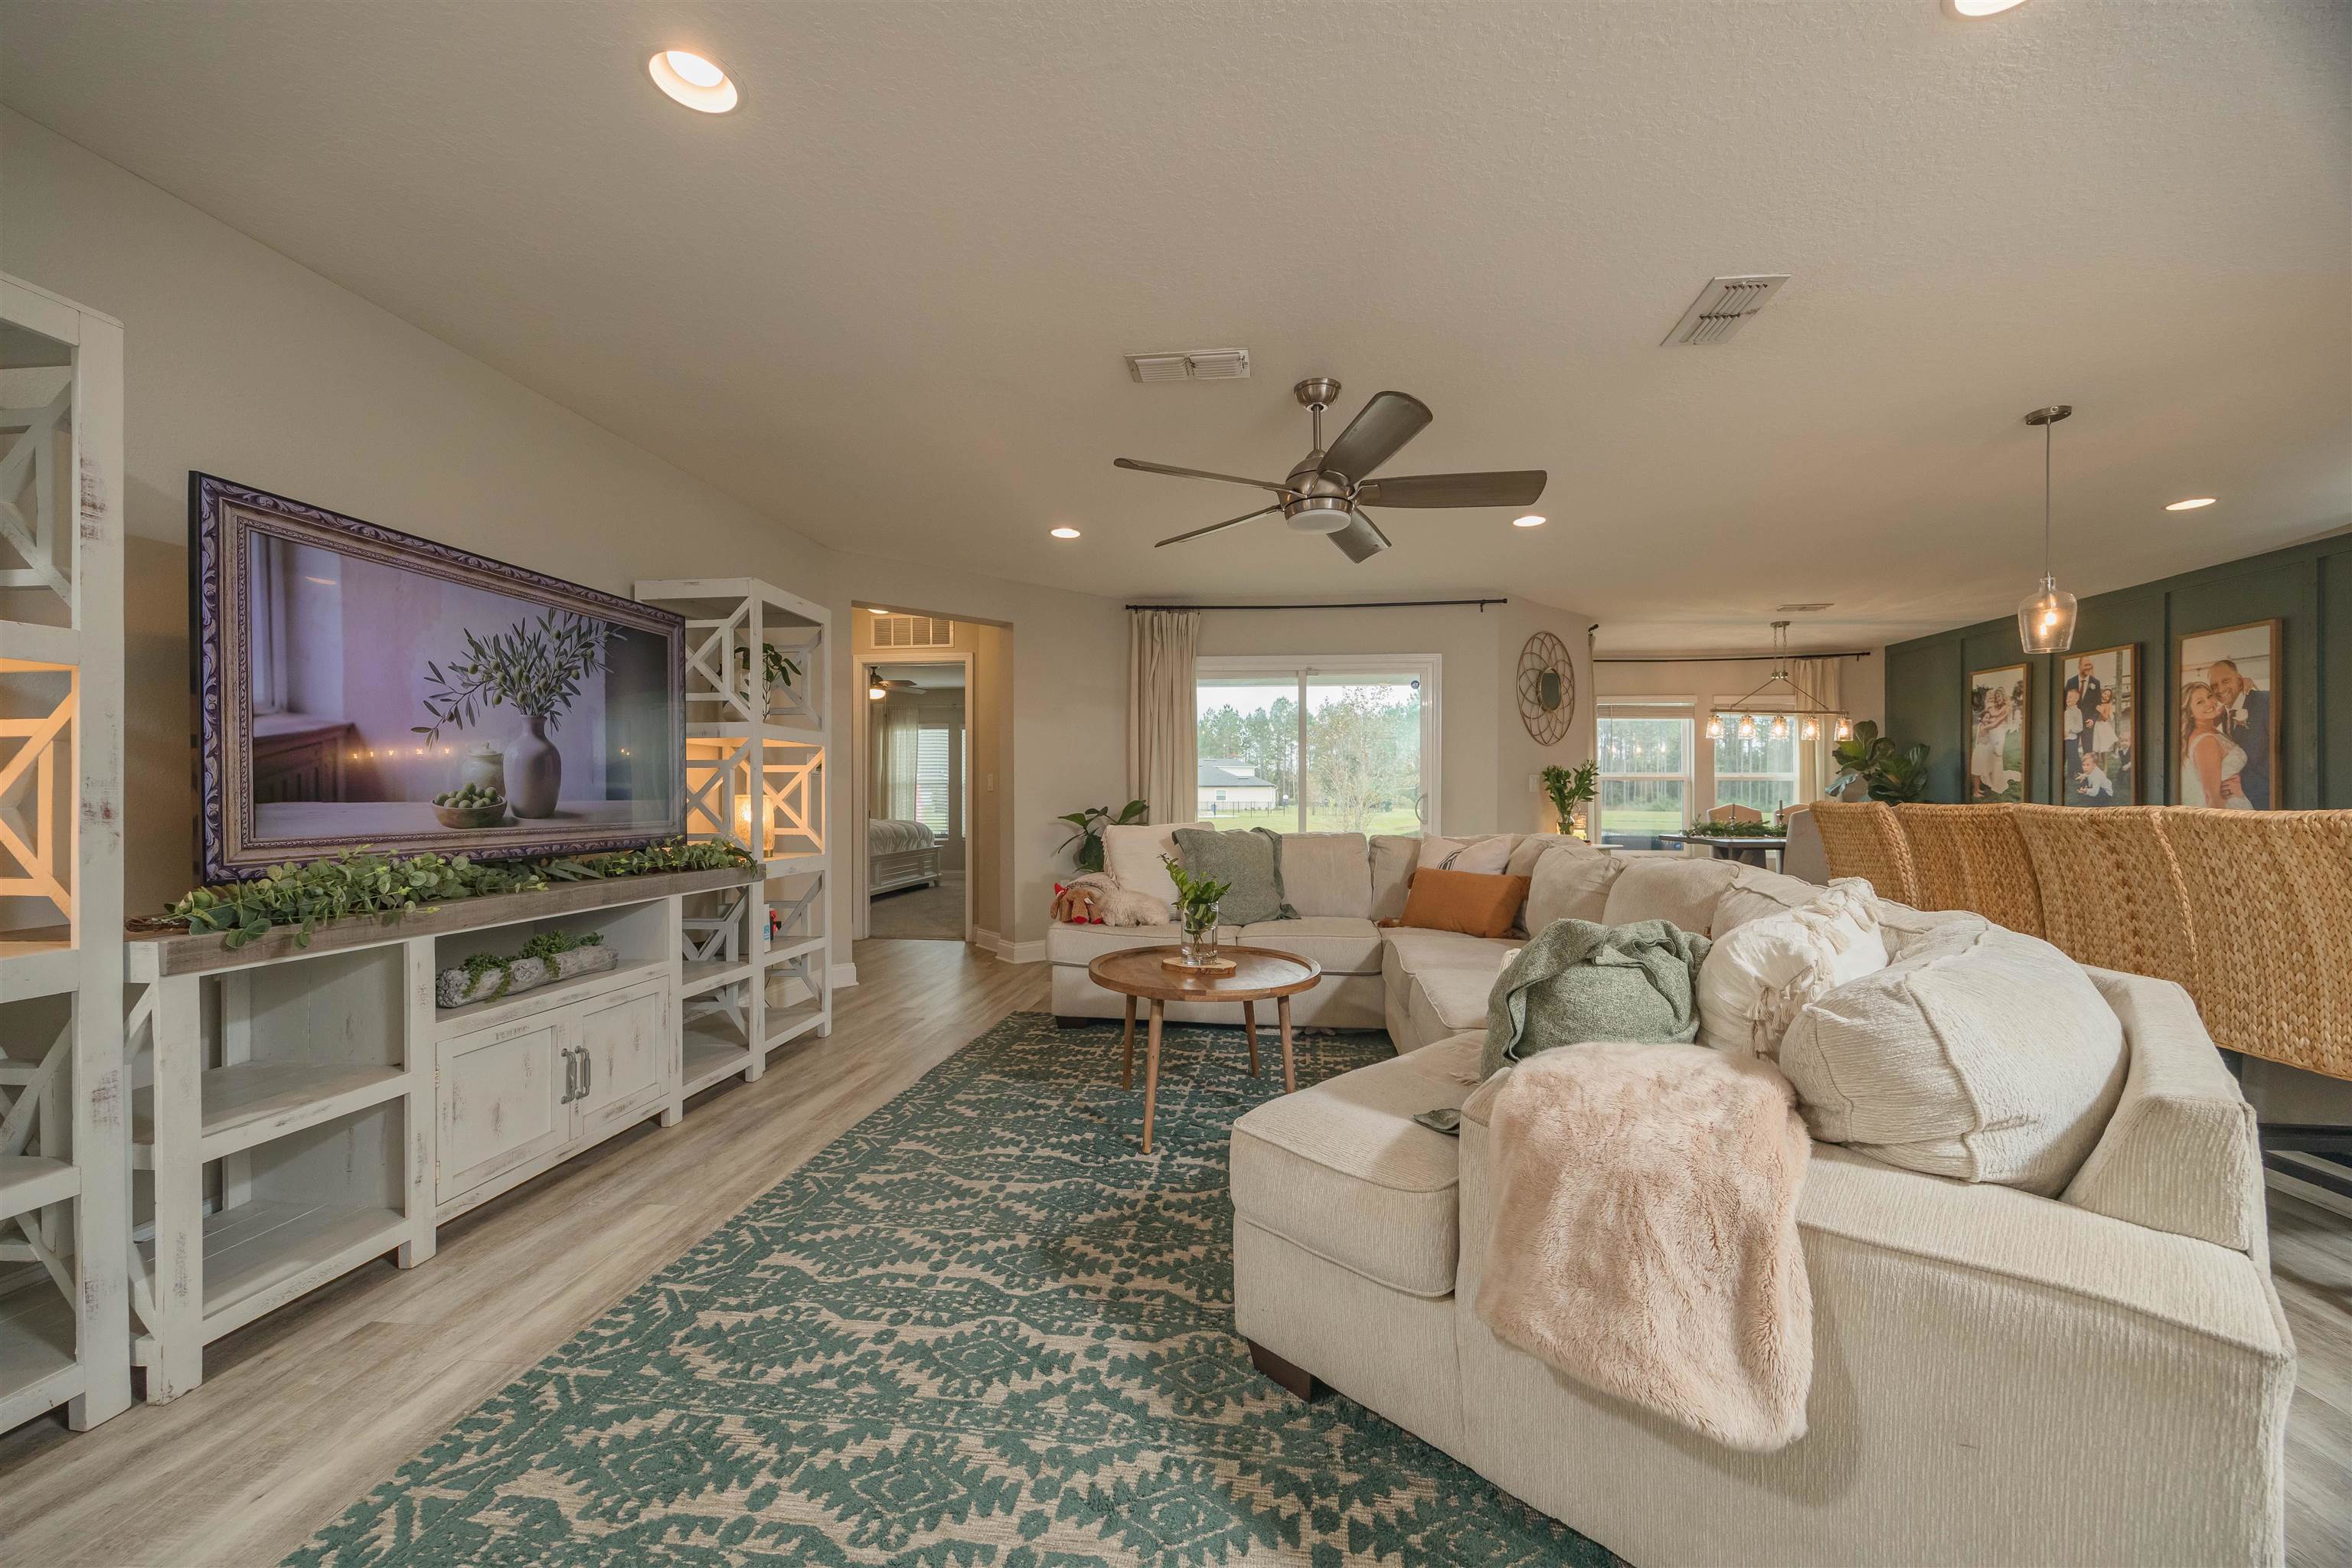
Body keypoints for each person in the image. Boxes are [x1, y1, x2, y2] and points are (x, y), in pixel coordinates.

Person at [2207, 658, 2272, 809]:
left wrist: (2247, 786)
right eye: (2214, 685)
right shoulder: (2222, 713)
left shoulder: (2266, 701)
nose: (2220, 689)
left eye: (2226, 680)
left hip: (2268, 805)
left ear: (2239, 679)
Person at [2178, 681, 2250, 809]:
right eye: (2200, 702)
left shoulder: (2208, 728)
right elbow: (2212, 797)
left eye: (2210, 696)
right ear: (2189, 712)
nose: (2209, 703)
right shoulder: (2207, 742)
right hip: (2230, 811)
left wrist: (2243, 683)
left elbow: (2221, 710)